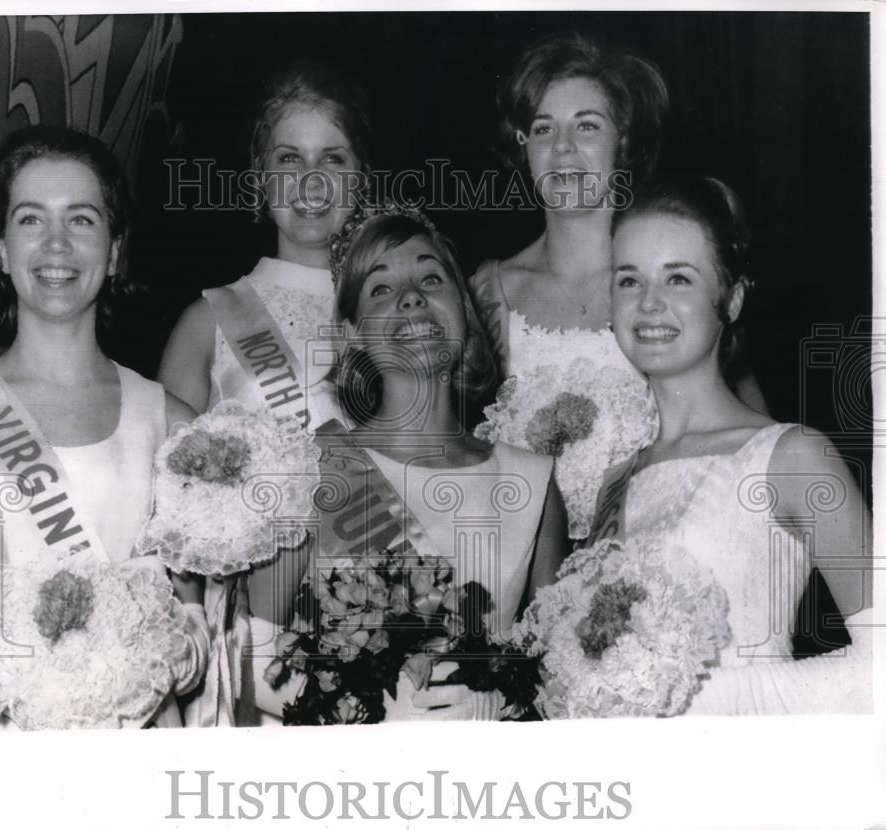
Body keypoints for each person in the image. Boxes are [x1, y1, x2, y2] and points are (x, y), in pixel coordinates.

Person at [0, 125, 208, 732]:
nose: (57, 245)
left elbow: (196, 631)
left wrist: (171, 651)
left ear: (116, 249)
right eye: (31, 219)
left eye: (83, 219)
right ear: (0, 246)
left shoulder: (175, 424)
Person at [251, 205, 570, 722]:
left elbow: (565, 673)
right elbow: (252, 661)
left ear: (464, 309)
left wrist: (504, 704)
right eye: (380, 289)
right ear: (352, 332)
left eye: (430, 277)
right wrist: (359, 714)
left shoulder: (534, 481)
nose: (411, 296)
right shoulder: (310, 468)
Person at [590, 174, 872, 714]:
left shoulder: (792, 456)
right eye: (629, 281)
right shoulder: (616, 479)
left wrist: (721, 702)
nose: (649, 304)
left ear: (732, 298)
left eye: (678, 279)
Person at [469, 34, 766, 541]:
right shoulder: (487, 290)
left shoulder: (670, 280)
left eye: (587, 125)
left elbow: (756, 454)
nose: (563, 146)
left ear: (624, 143)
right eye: (543, 128)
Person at [156, 61, 372, 724]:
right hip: (249, 636)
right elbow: (165, 511)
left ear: (361, 178)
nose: (311, 181)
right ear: (259, 180)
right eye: (289, 158)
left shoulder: (397, 312)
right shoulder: (207, 320)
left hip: (374, 613)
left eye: (332, 157)